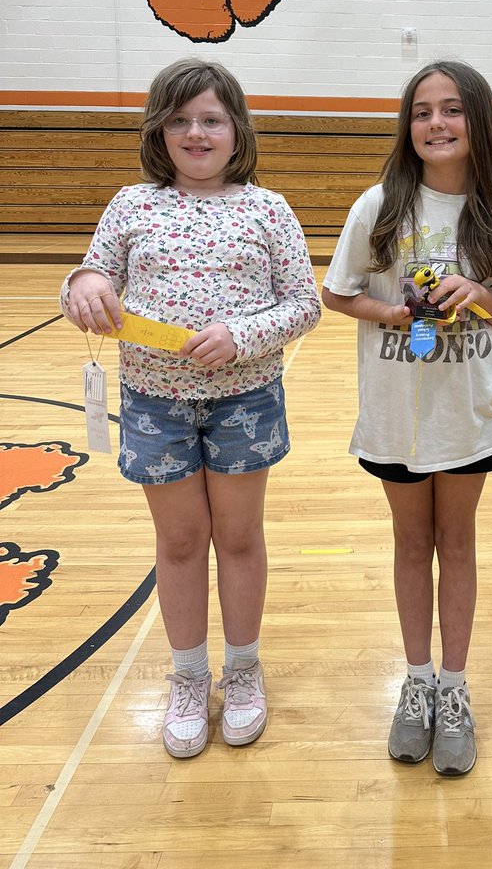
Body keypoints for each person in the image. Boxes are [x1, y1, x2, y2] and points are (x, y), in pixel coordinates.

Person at [60, 58, 321, 758]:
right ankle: (187, 677)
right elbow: (89, 278)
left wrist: (242, 335)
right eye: (179, 120)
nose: (195, 133)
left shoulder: (268, 209)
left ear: (236, 129)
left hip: (246, 400)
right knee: (178, 543)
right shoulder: (131, 204)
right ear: (159, 130)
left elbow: (305, 303)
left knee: (238, 538)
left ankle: (242, 672)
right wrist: (82, 285)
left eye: (210, 119)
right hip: (155, 405)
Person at [322, 60, 492, 776]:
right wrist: (393, 310)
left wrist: (474, 291)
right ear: (407, 125)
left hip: (469, 413)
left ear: (478, 121)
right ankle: (415, 683)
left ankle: (454, 686)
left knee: (458, 541)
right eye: (421, 111)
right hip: (394, 414)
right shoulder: (378, 205)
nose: (436, 124)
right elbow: (338, 293)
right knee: (412, 545)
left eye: (451, 110)